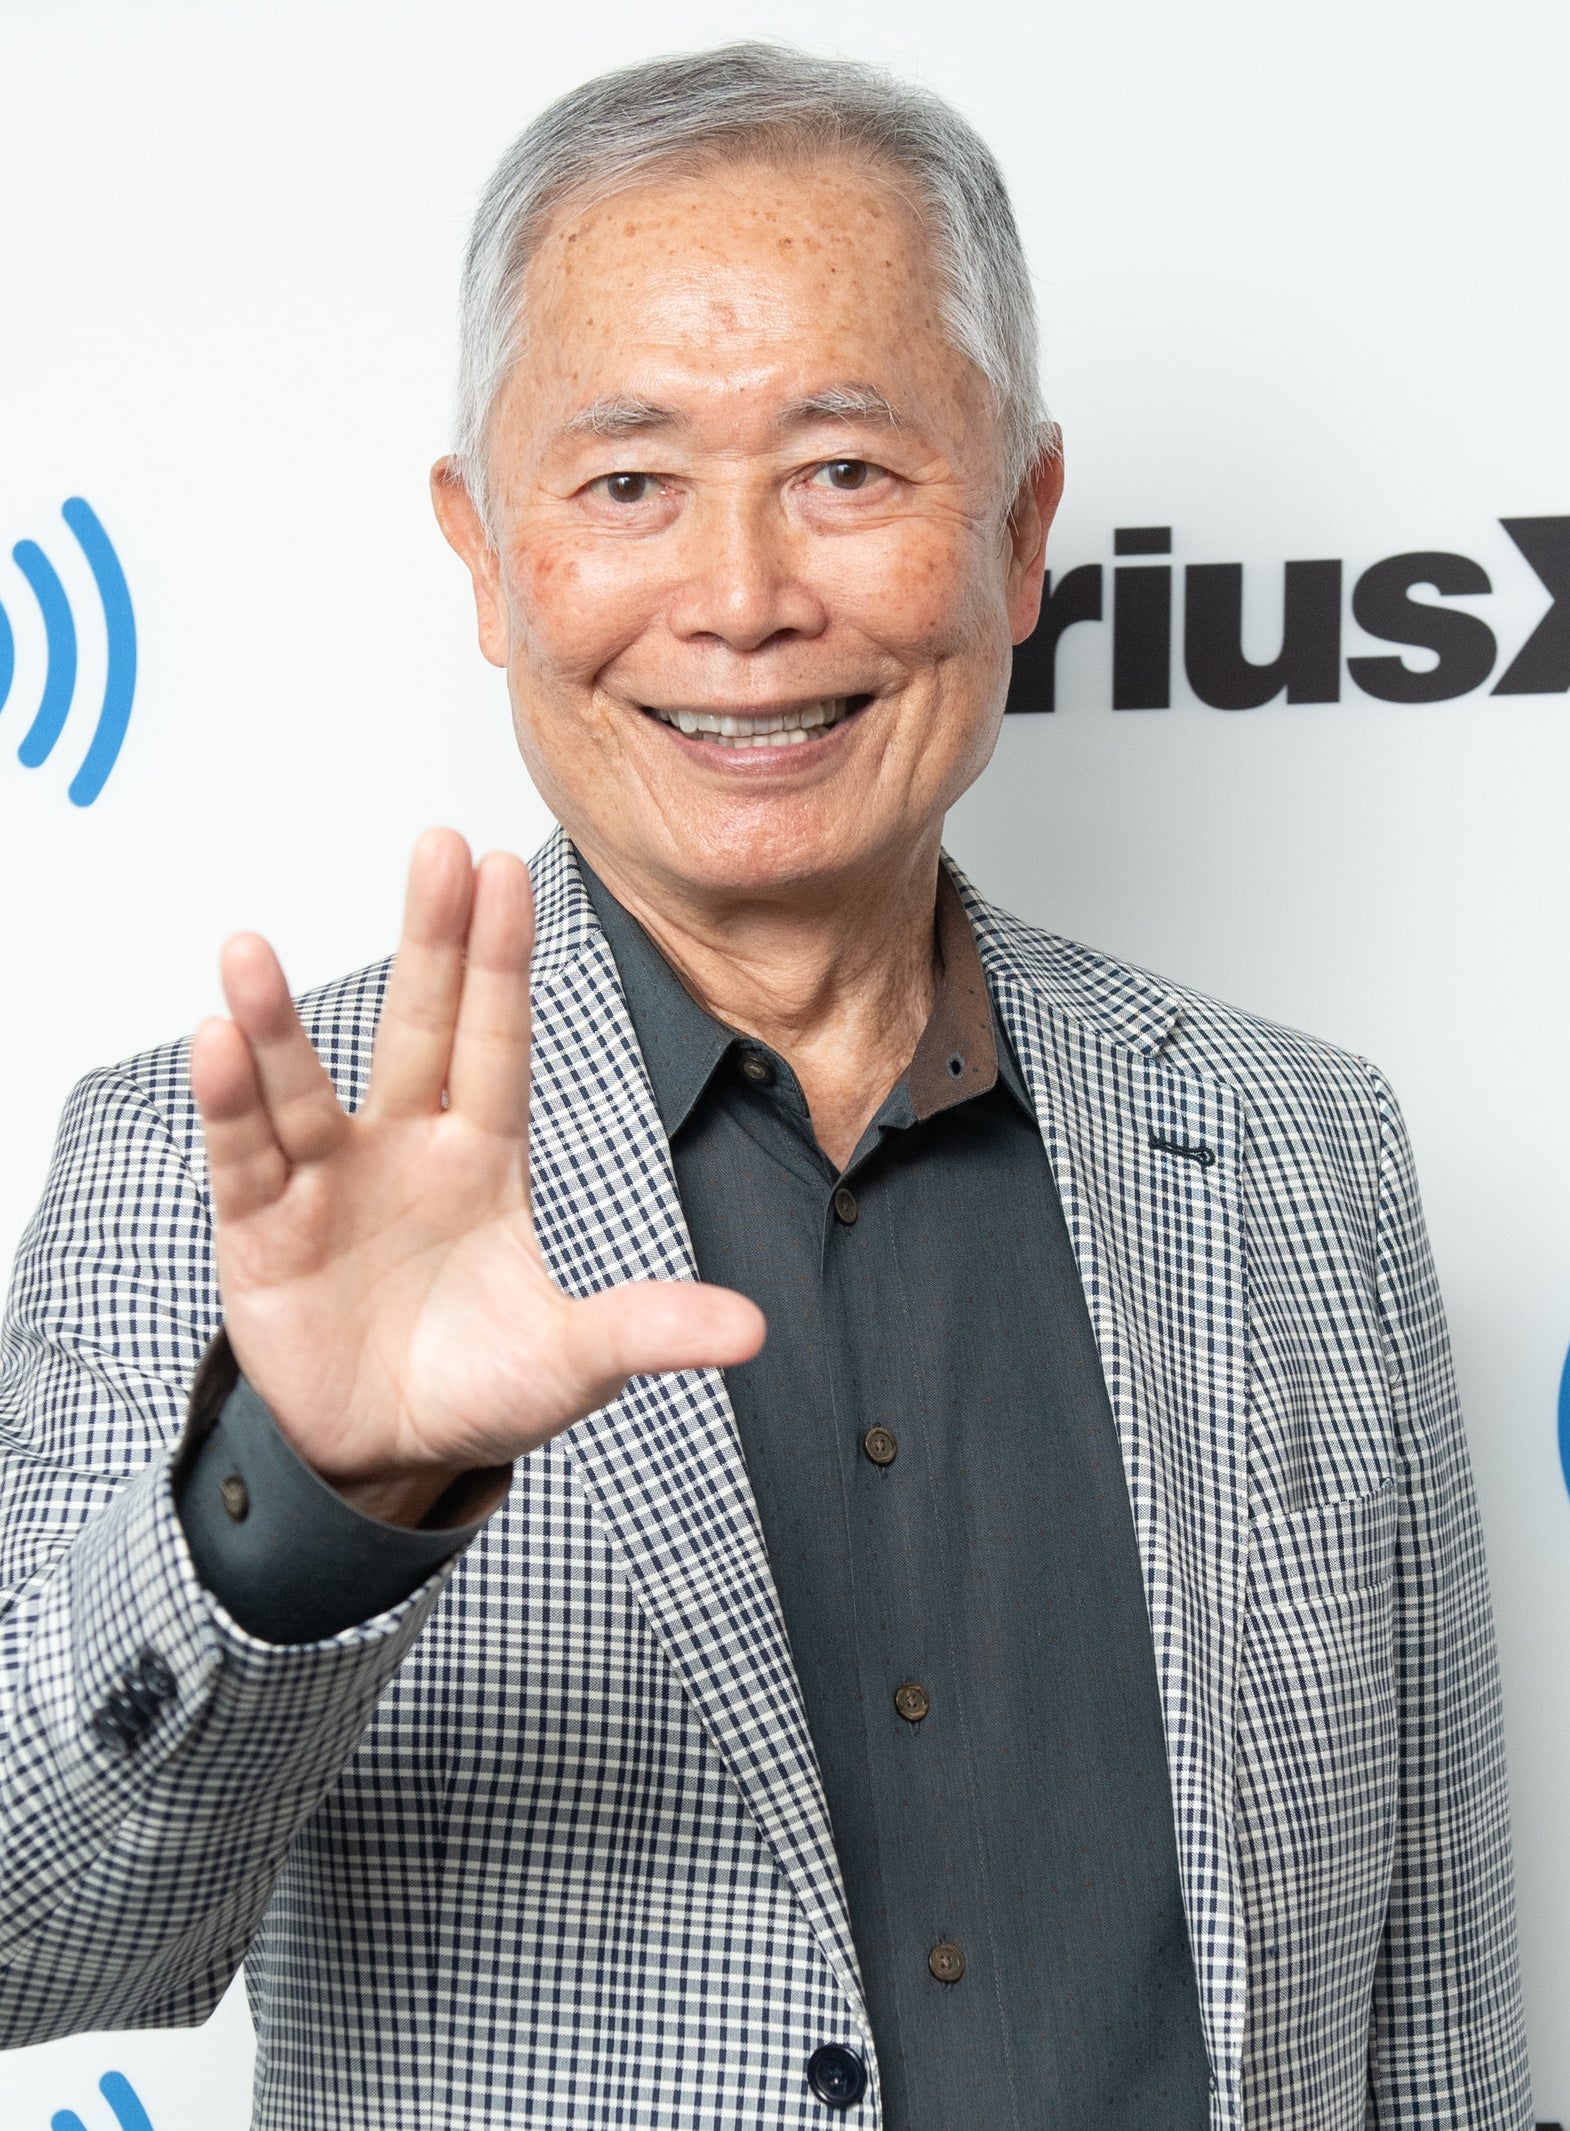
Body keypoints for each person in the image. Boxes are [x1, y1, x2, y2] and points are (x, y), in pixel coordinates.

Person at [0, 43, 1531, 2131]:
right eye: (626, 481)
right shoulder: (232, 1158)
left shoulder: (1296, 1151)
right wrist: (304, 1503)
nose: (740, 599)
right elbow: (29, 1935)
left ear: (1017, 531)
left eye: (845, 470)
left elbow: (1429, 2013)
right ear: (482, 548)